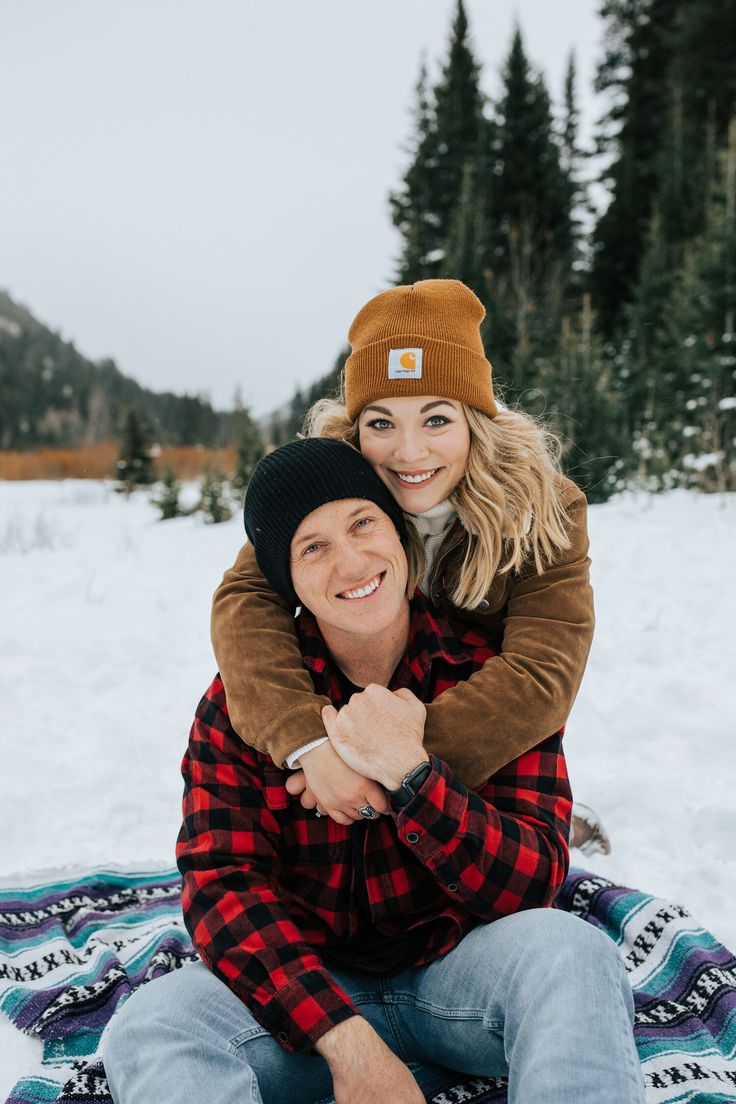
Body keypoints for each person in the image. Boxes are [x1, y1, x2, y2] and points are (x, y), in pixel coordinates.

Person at [103, 439, 643, 1104]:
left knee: (576, 954)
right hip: (307, 1000)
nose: (351, 561)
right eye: (313, 547)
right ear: (286, 579)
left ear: (401, 535)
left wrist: (415, 778)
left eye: (363, 523)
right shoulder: (246, 702)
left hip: (459, 978)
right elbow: (221, 885)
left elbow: (533, 881)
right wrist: (346, 1041)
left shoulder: (485, 678)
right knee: (148, 1028)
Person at [210, 278, 608, 852]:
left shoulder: (541, 508)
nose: (409, 452)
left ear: (476, 419)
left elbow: (542, 674)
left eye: (437, 420)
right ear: (355, 428)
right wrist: (308, 743)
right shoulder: (341, 485)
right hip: (355, 703)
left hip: (482, 744)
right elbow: (246, 600)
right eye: (381, 423)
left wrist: (388, 762)